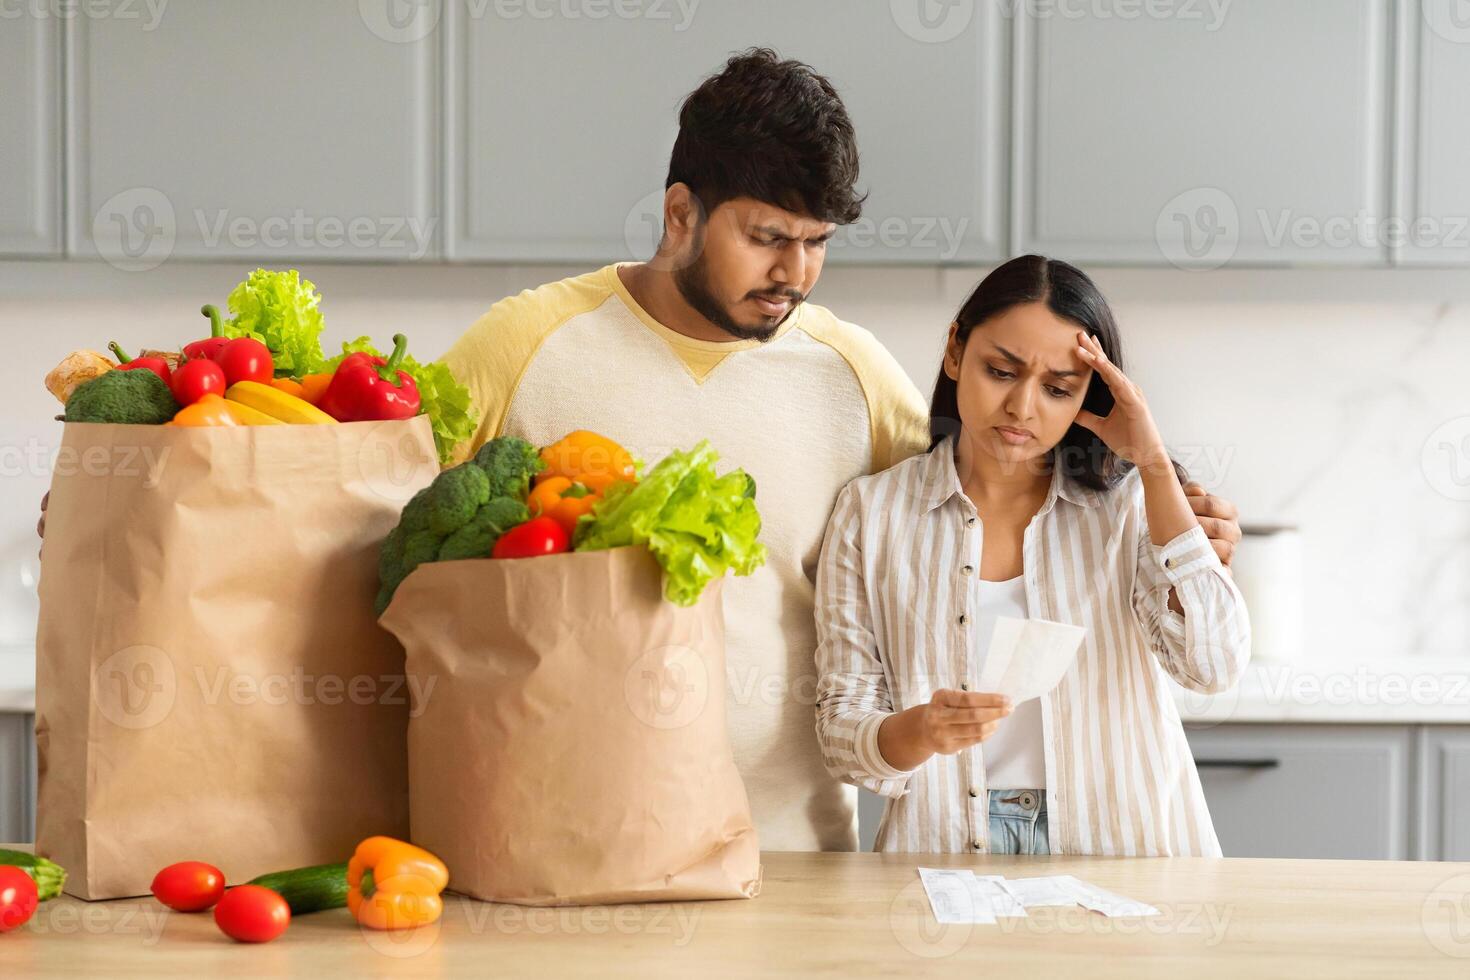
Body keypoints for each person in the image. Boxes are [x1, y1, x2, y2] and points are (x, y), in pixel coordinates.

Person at [39, 51, 1244, 853]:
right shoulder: (529, 340)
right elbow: (347, 527)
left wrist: (1175, 512)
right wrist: (163, 515)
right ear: (681, 213)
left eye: (816, 243)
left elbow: (987, 487)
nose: (796, 274)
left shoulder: (854, 370)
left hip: (797, 853)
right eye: (768, 237)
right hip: (552, 836)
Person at [813, 255, 1250, 856]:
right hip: (943, 856)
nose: (1022, 407)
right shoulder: (871, 514)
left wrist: (1152, 464)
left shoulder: (1131, 506)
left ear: (1088, 397)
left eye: (1057, 389)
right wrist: (922, 730)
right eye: (1001, 371)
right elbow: (843, 738)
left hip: (1126, 850)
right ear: (955, 351)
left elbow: (1213, 666)